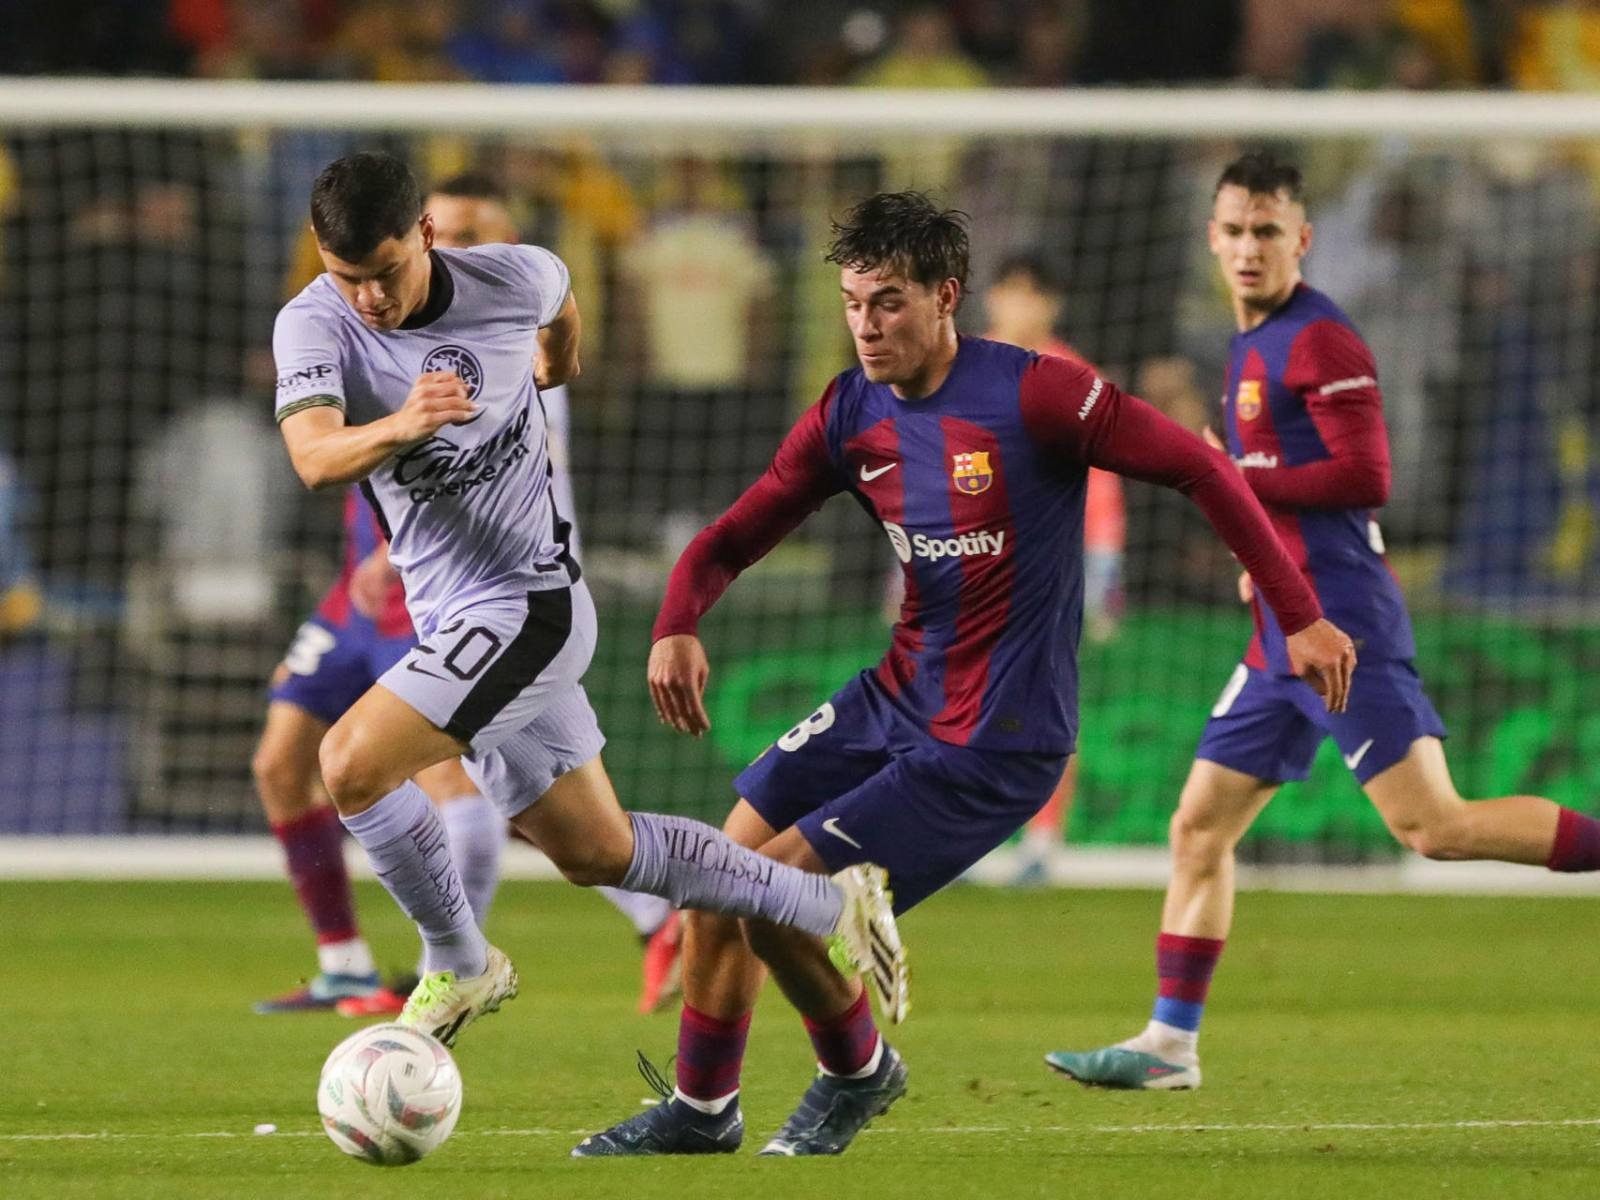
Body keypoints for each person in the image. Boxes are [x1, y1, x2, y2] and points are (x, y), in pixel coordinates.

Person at [571, 191, 1355, 1159]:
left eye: (889, 302)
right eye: (855, 302)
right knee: (714, 882)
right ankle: (701, 1111)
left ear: (947, 297)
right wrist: (676, 622)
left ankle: (856, 1072)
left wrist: (1299, 613)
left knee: (764, 894)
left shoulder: (1036, 395)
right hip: (893, 695)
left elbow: (1203, 469)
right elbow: (732, 535)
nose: (866, 325)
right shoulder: (848, 410)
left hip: (995, 740)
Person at [270, 151, 907, 1049]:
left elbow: (561, 303)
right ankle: (830, 896)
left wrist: (555, 368)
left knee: (348, 764)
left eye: (384, 273)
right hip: (452, 615)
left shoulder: (512, 274)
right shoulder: (313, 326)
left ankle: (456, 961)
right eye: (348, 279)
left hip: (529, 604)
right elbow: (312, 456)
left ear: (422, 236)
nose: (368, 298)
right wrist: (403, 424)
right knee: (597, 853)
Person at [1045, 151, 1600, 1093]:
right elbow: (1271, 490)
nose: (1250, 247)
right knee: (1198, 827)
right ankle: (1169, 1046)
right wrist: (1250, 559)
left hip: (1340, 625)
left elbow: (1368, 477)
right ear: (1211, 240)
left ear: (1301, 238)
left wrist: (1231, 482)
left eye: (1268, 230)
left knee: (1436, 826)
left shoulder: (1320, 340)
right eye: (1234, 230)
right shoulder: (1245, 347)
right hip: (1280, 630)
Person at [427, 171, 686, 1015]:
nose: (455, 251)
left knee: (454, 779)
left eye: (475, 233)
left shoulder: (501, 337)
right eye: (444, 233)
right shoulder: (477, 334)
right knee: (564, 822)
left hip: (514, 598)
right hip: (501, 592)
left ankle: (455, 965)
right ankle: (678, 913)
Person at [982, 254, 1125, 880]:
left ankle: (1043, 838)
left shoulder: (1076, 377)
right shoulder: (953, 365)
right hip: (970, 558)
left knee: (1045, 701)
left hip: (1054, 564)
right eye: (1011, 293)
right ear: (990, 298)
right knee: (962, 700)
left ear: (1052, 306)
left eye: (1033, 295)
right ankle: (970, 830)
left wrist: (1104, 573)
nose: (1021, 307)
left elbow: (1103, 482)